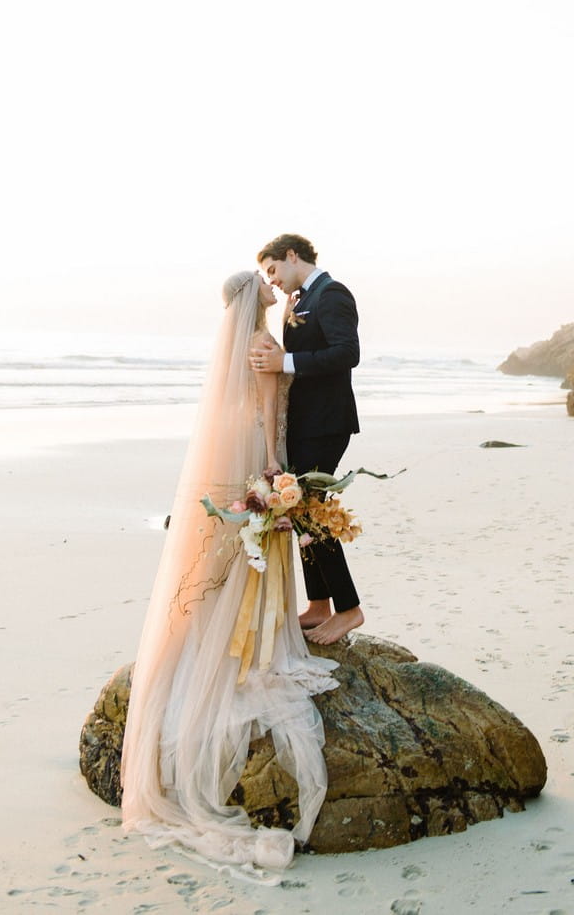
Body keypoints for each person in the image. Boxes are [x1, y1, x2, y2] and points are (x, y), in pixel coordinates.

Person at [121, 270, 338, 877]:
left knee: (229, 550)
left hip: (227, 452)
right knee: (258, 546)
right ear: (253, 298)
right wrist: (274, 467)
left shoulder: (236, 346)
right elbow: (269, 411)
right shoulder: (264, 345)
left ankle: (222, 632)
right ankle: (258, 641)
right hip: (258, 452)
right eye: (264, 282)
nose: (273, 285)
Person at [254, 234, 364, 645]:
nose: (273, 280)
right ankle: (319, 603)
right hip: (305, 421)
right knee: (297, 507)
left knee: (312, 511)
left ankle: (349, 609)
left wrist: (286, 361)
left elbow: (346, 353)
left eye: (273, 270)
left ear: (292, 256)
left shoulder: (332, 294)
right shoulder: (298, 299)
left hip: (328, 422)